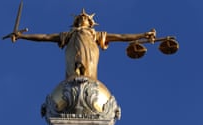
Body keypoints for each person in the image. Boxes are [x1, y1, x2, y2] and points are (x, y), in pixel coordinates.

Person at [12, 9, 156, 80]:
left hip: (90, 52)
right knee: (73, 78)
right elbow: (45, 37)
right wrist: (22, 36)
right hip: (72, 53)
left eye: (85, 17)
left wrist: (143, 34)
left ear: (90, 22)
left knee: (88, 78)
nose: (82, 18)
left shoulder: (95, 35)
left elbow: (121, 36)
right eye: (80, 18)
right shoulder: (69, 34)